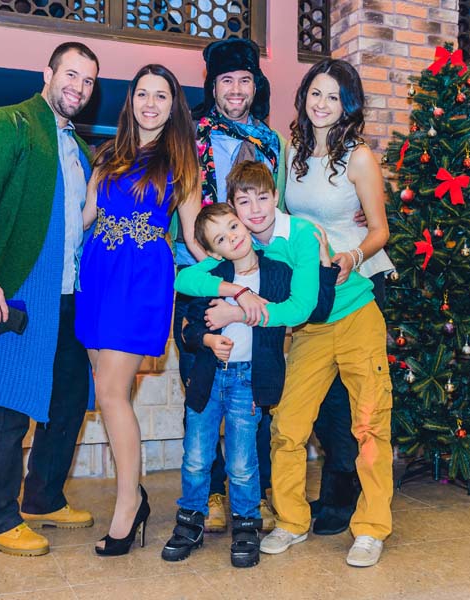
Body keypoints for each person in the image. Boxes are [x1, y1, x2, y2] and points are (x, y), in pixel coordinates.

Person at [175, 159, 393, 567]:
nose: (255, 210)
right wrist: (237, 291)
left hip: (356, 318)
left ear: (276, 197)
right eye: (244, 202)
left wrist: (238, 313)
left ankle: (371, 528)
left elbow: (301, 307)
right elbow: (186, 279)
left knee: (369, 424)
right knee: (287, 426)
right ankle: (292, 521)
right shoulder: (244, 244)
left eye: (262, 198)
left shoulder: (303, 233)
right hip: (312, 334)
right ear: (233, 209)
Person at [0, 42, 100, 557]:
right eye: (71, 75)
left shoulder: (79, 150)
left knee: (67, 403)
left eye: (88, 81)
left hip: (68, 297)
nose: (78, 88)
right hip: (16, 293)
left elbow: (80, 223)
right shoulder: (10, 124)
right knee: (8, 404)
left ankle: (43, 498)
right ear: (48, 73)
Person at [162, 170, 337, 568]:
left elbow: (313, 308)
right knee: (196, 457)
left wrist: (325, 264)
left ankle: (246, 525)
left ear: (245, 225)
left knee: (243, 461)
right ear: (215, 252)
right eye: (220, 239)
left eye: (233, 227)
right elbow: (187, 307)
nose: (232, 238)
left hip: (248, 380)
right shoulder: (214, 275)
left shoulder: (275, 271)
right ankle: (190, 522)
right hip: (208, 379)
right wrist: (216, 327)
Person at [75, 64, 204, 556]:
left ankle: (128, 505)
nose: (150, 104)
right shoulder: (107, 154)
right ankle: (136, 495)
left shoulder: (182, 160)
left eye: (161, 96)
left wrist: (234, 273)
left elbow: (193, 235)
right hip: (97, 278)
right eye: (142, 94)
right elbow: (85, 217)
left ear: (174, 106)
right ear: (130, 101)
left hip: (142, 281)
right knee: (109, 392)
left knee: (111, 394)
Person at [171, 36, 286, 534]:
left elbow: (275, 211)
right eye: (226, 81)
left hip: (256, 275)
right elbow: (187, 213)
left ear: (256, 85)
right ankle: (212, 493)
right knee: (201, 385)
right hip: (201, 271)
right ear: (212, 86)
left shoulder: (270, 140)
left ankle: (252, 495)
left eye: (245, 80)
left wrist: (257, 274)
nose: (236, 90)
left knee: (256, 387)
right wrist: (219, 277)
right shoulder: (191, 136)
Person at [284, 58, 395, 536]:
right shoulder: (291, 149)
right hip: (312, 288)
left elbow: (380, 230)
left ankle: (345, 496)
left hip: (357, 282)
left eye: (333, 96)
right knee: (316, 400)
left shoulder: (359, 157)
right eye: (316, 93)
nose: (322, 103)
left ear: (347, 105)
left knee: (355, 403)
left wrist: (351, 255)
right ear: (304, 97)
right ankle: (336, 488)